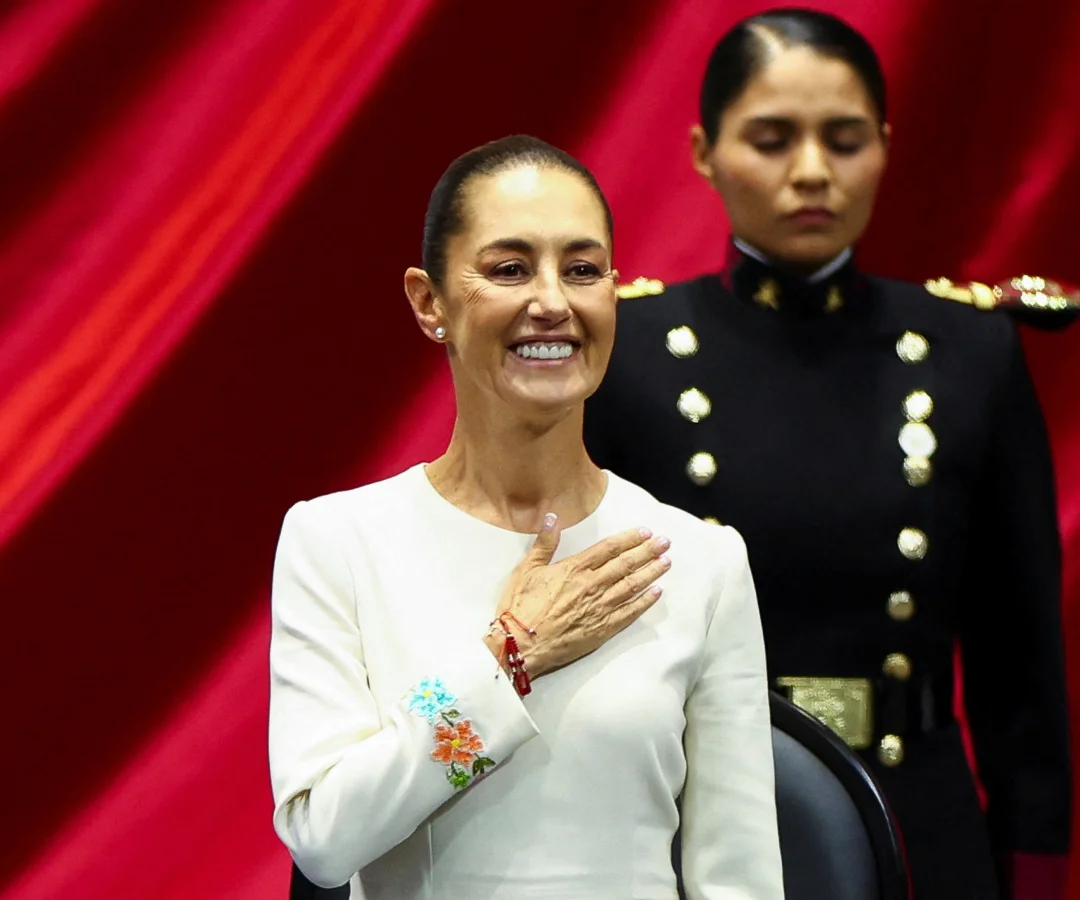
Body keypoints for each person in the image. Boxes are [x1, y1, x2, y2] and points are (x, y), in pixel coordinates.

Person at [584, 10, 1072, 900]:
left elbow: (1020, 671)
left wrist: (1034, 873)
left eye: (843, 140)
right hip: (697, 823)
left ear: (885, 145)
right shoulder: (629, 354)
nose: (811, 171)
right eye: (771, 140)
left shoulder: (971, 354)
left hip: (922, 822)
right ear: (703, 151)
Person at [268, 135, 784, 899]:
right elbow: (327, 839)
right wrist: (509, 658)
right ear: (428, 301)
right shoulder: (338, 543)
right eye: (510, 270)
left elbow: (738, 879)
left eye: (582, 270)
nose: (552, 302)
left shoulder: (702, 562)